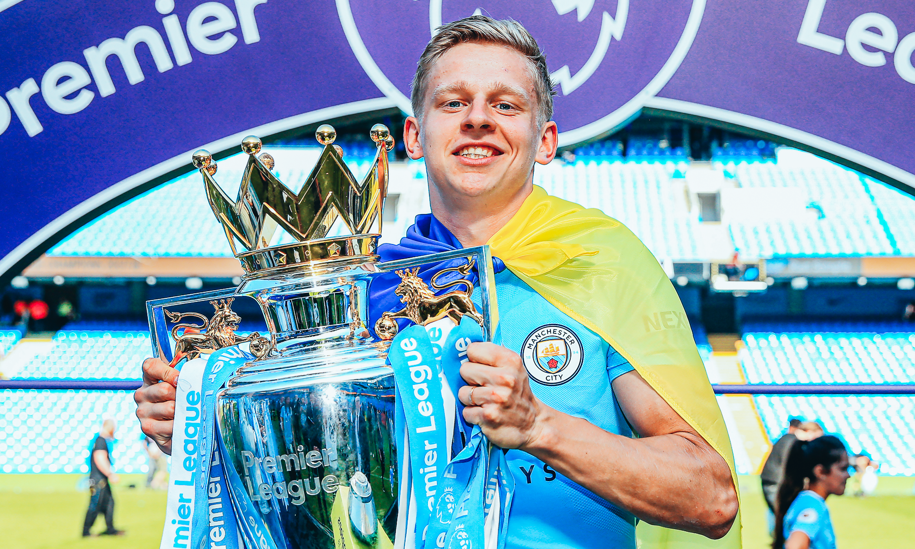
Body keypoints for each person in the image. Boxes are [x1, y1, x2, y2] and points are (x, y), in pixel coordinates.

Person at [135, 15, 739, 547]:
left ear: (545, 140)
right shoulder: (361, 294)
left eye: (506, 105)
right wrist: (207, 423)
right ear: (415, 137)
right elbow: (319, 489)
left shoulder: (603, 266)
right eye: (453, 103)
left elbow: (710, 498)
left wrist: (538, 426)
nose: (478, 119)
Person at [773, 435, 850, 549]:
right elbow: (795, 546)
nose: (848, 475)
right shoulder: (812, 506)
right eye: (843, 469)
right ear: (820, 472)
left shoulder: (805, 500)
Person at [82, 418, 124, 537]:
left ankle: (110, 529)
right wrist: (110, 474)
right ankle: (86, 532)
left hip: (101, 480)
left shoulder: (102, 440)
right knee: (95, 505)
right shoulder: (100, 440)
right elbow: (100, 458)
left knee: (109, 503)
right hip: (98, 480)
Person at [761, 418, 803, 522]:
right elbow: (787, 464)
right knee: (785, 517)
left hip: (771, 481)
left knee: (779, 515)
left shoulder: (783, 439)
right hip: (777, 483)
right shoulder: (791, 441)